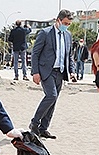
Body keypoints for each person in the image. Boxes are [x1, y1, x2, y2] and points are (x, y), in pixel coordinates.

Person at [29, 9, 76, 139]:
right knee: (51, 96)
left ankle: (43, 128)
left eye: (69, 24)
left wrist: (72, 71)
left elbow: (69, 55)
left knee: (53, 101)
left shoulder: (68, 35)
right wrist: (35, 72)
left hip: (60, 72)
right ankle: (34, 123)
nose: (66, 26)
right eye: (65, 23)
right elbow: (35, 53)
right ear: (58, 20)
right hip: (46, 71)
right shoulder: (45, 33)